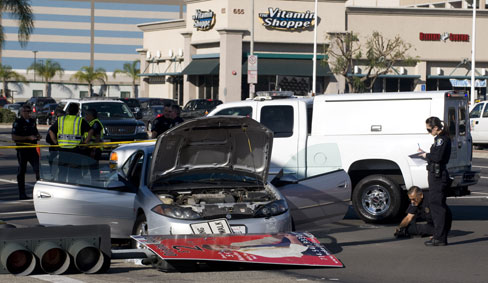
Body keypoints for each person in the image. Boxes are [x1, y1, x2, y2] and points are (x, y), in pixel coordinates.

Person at [418, 116, 452, 246]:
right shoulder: (440, 139)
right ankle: (440, 234)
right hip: (436, 174)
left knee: (436, 206)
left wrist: (426, 155)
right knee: (438, 205)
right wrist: (426, 154)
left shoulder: (441, 139)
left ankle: (440, 237)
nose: (428, 132)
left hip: (438, 176)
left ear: (436, 128)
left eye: (429, 129)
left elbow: (437, 157)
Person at [49, 103, 93, 183]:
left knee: (62, 172)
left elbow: (51, 131)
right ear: (77, 111)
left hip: (63, 149)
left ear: (68, 111)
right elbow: (91, 131)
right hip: (75, 150)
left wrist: (55, 142)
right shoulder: (80, 120)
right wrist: (85, 142)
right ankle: (71, 188)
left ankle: (61, 188)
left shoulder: (61, 119)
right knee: (73, 172)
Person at [11, 105, 41, 200]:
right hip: (22, 150)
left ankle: (39, 192)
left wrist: (37, 136)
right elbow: (14, 137)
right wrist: (27, 138)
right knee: (22, 171)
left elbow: (35, 132)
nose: (28, 113)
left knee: (38, 170)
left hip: (32, 149)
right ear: (22, 112)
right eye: (26, 111)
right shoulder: (18, 122)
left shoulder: (32, 121)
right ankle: (22, 193)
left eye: (29, 111)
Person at [83, 108, 104, 182]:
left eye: (87, 114)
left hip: (94, 149)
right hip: (90, 148)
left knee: (94, 168)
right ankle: (94, 180)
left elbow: (97, 137)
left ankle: (95, 182)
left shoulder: (96, 123)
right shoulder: (91, 123)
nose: (85, 116)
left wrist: (94, 150)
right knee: (91, 167)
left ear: (91, 115)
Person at [46, 108, 65, 173]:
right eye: (58, 116)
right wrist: (55, 143)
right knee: (54, 161)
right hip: (55, 146)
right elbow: (49, 136)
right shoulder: (56, 124)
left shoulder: (62, 123)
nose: (60, 118)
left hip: (61, 147)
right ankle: (52, 174)